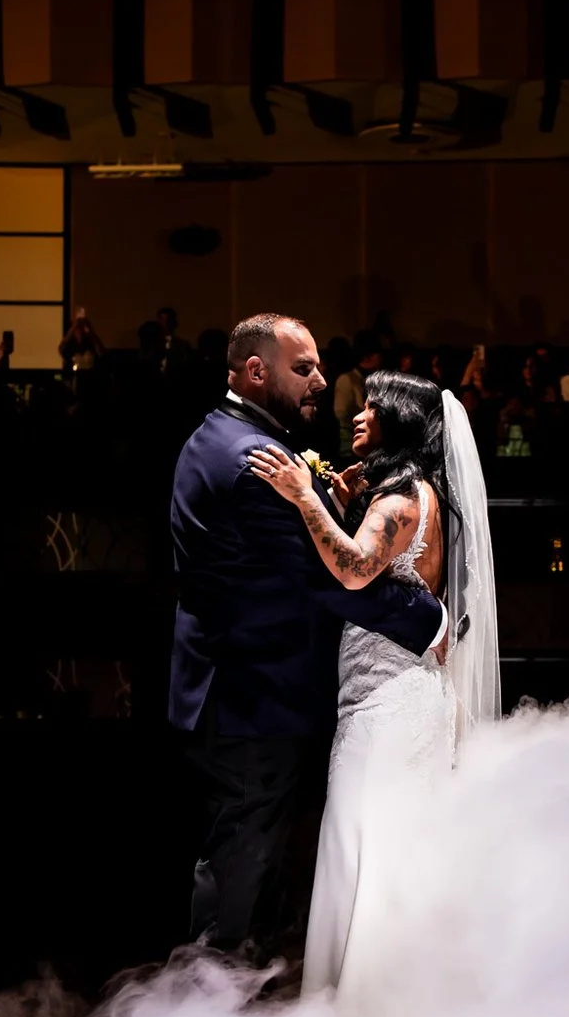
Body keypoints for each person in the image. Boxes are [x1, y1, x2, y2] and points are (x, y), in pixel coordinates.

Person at [166, 314, 448, 968]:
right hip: (252, 698)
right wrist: (425, 620)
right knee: (237, 880)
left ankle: (223, 1012)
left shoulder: (223, 436)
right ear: (256, 370)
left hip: (239, 688)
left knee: (253, 867)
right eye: (305, 369)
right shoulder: (253, 461)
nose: (322, 381)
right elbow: (330, 581)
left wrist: (325, 498)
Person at [247, 369, 499, 1009]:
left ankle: (374, 1008)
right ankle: (389, 1000)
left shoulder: (402, 500)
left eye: (371, 408)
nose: (357, 416)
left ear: (400, 422)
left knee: (371, 845)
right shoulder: (412, 492)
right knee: (383, 844)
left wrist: (305, 498)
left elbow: (356, 570)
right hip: (394, 696)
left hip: (391, 704)